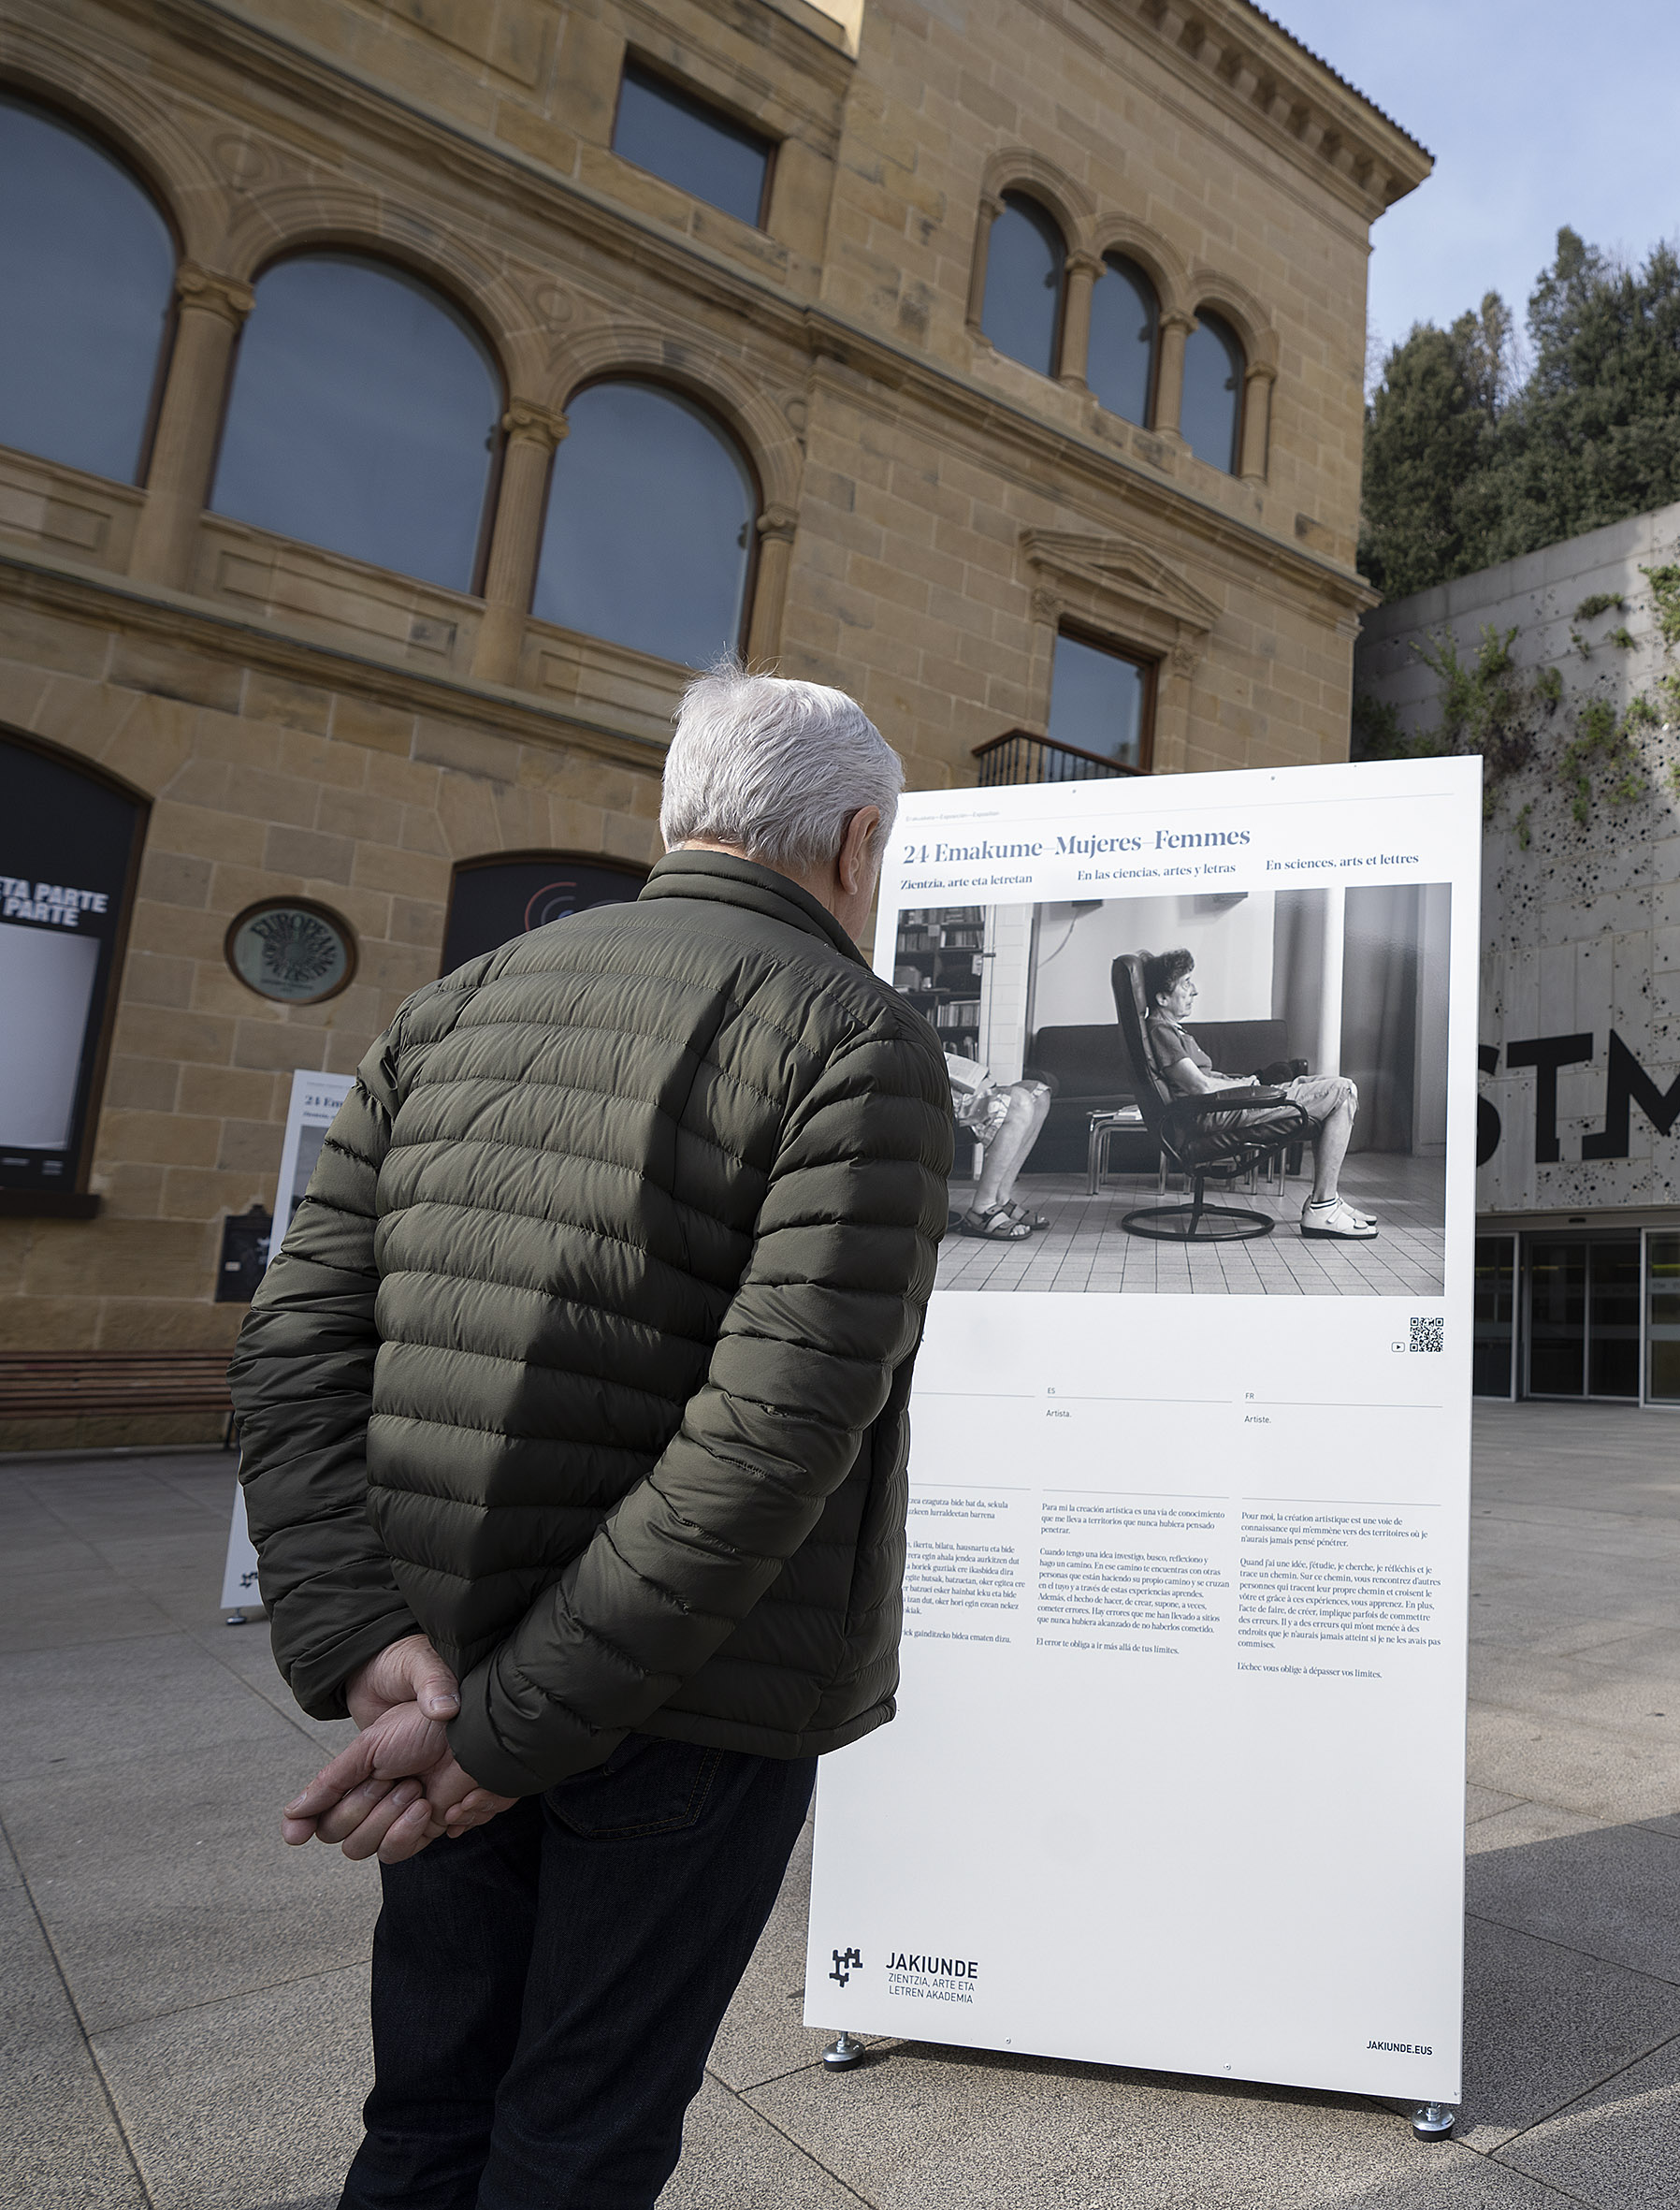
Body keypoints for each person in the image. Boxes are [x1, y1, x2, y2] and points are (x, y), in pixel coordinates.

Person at [229, 662, 948, 2210]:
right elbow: (773, 1433)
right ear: (855, 842)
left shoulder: (450, 1004)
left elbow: (290, 1343)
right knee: (578, 2135)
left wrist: (371, 1641)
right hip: (678, 1709)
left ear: (679, 815)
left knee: (424, 2117)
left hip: (442, 1667)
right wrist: (509, 1731)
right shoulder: (854, 1035)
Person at [1137, 946, 1377, 1238]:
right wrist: (1248, 1089)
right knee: (1342, 1090)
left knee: (1338, 1088)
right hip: (1218, 1113)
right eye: (1186, 983)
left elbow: (1202, 1081)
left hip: (1228, 1105)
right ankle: (1323, 1206)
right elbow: (1197, 1086)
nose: (1194, 991)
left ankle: (1328, 1198)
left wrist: (1250, 1084)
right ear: (1162, 998)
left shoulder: (1172, 1030)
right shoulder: (1160, 1030)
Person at [947, 1050, 1050, 1239]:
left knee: (1038, 1093)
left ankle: (1001, 1198)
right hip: (931, 1104)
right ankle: (982, 1209)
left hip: (952, 1090)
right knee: (1019, 1102)